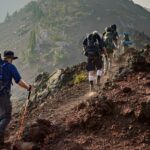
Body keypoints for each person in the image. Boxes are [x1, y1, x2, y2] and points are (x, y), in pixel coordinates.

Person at [0, 50, 32, 145]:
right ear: (9, 59)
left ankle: (1, 142)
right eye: (12, 59)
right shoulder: (10, 67)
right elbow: (18, 81)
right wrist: (28, 87)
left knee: (1, 117)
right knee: (6, 116)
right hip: (2, 95)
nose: (12, 61)